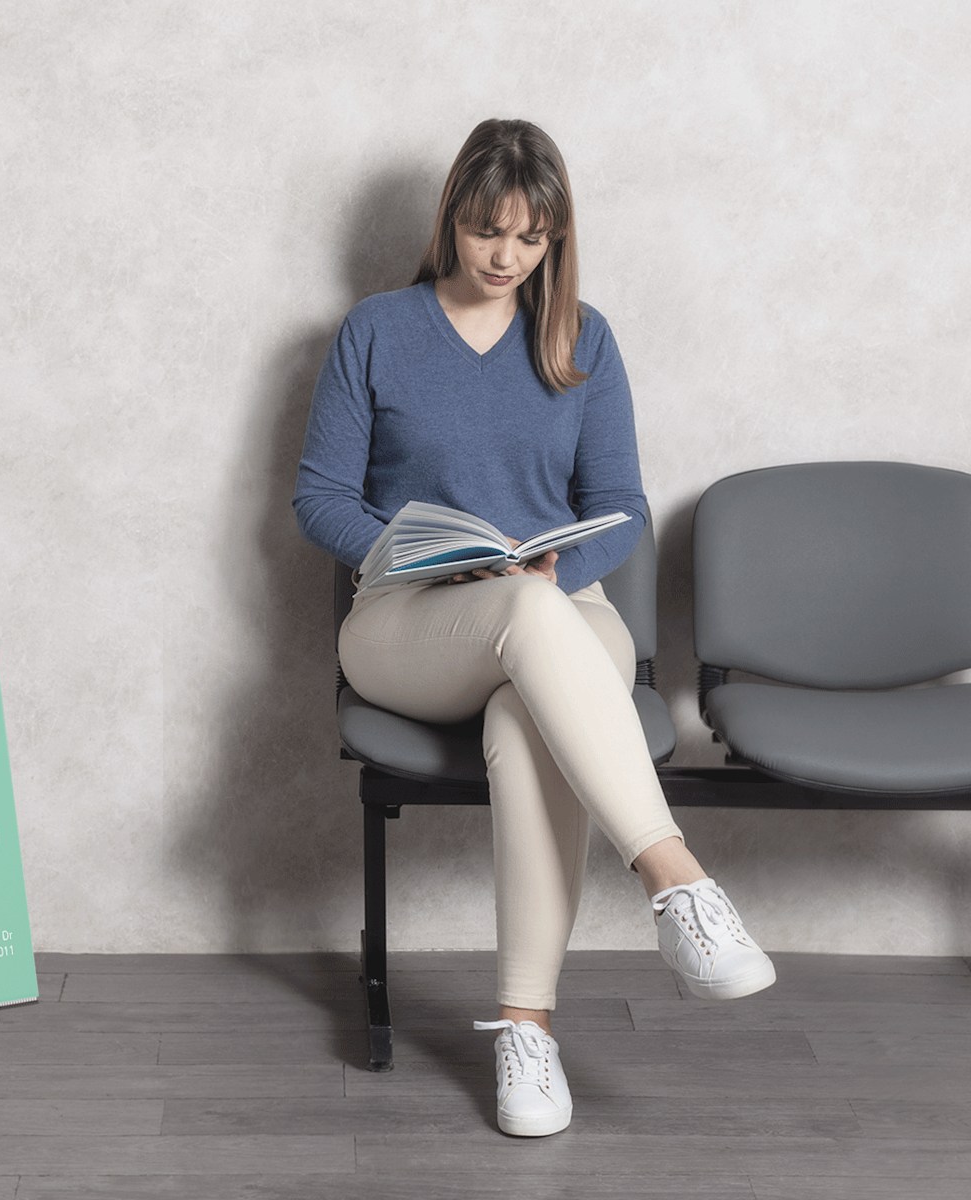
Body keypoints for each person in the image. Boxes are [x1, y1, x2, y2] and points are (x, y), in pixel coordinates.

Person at [291, 118, 776, 1139]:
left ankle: (526, 1034)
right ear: (450, 223)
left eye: (527, 240)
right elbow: (319, 499)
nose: (503, 258)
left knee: (527, 712)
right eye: (484, 233)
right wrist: (417, 552)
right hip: (406, 620)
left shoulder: (580, 336)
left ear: (554, 239)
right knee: (520, 611)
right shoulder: (375, 331)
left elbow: (619, 504)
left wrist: (562, 563)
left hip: (559, 609)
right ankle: (676, 886)